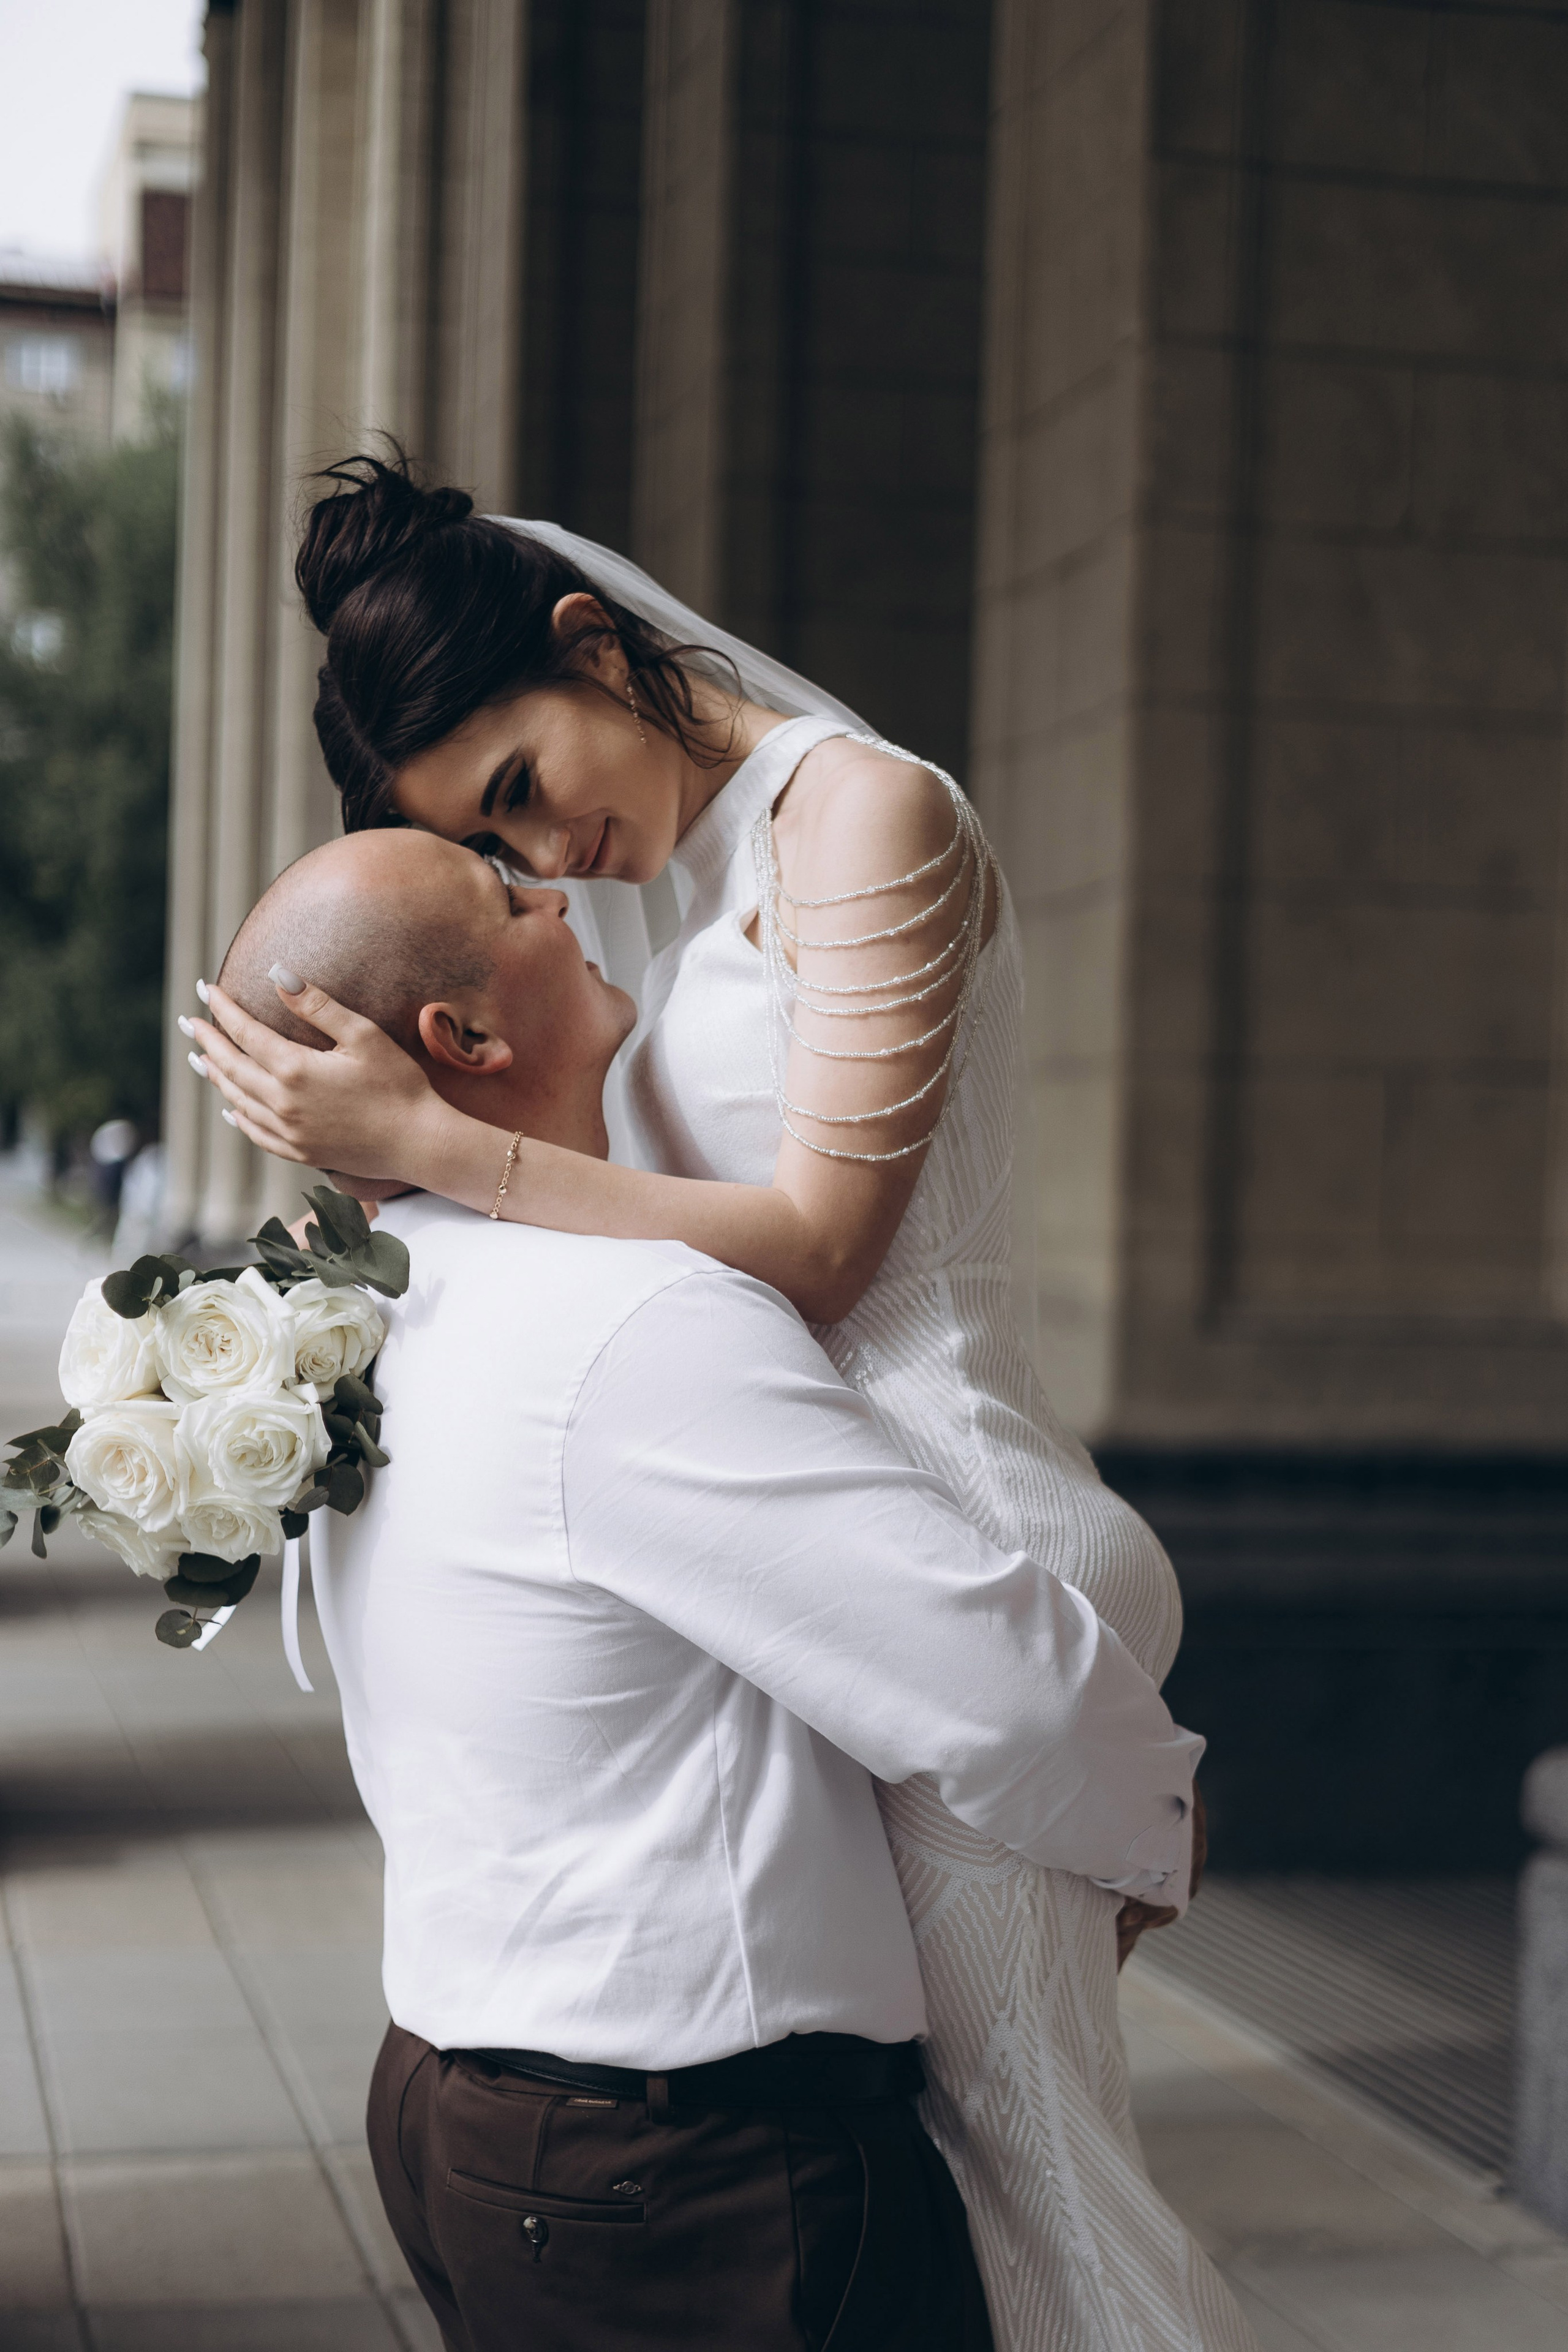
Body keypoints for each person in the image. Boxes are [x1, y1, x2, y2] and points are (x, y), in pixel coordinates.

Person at [187, 459, 1258, 2352]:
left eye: (521, 789)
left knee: (1047, 2192)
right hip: (809, 1570)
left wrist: (438, 1143)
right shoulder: (667, 903)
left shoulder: (867, 812)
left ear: (595, 646)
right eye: (491, 841)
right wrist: (392, 1214)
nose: (547, 855)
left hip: (954, 1531)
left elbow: (823, 1252)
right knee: (979, 2196)